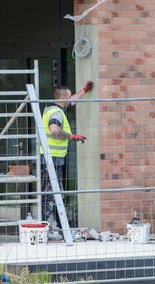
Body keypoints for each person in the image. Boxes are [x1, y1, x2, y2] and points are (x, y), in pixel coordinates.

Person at [40, 81, 94, 234]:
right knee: (51, 194)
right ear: (63, 98)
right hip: (52, 159)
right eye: (68, 97)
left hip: (53, 158)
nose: (71, 100)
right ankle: (49, 228)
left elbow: (72, 100)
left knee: (53, 192)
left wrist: (84, 90)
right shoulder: (56, 113)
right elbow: (54, 129)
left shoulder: (53, 108)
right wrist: (71, 136)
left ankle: (52, 226)